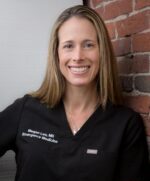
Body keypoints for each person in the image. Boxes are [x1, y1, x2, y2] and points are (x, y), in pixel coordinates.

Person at [0, 5, 149, 181]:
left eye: (88, 45)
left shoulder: (126, 125)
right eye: (68, 46)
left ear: (102, 52)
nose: (78, 56)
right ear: (56, 54)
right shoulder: (25, 109)